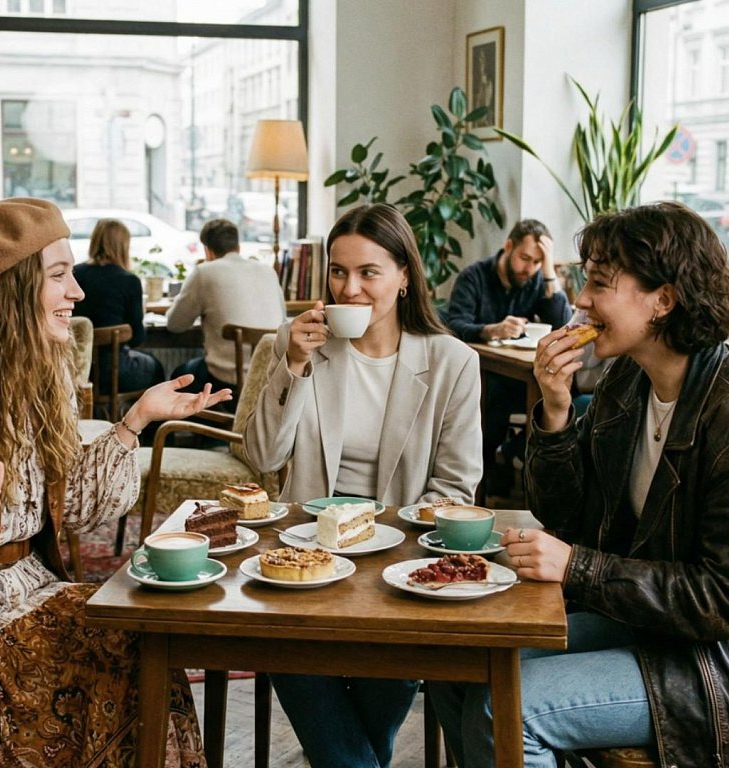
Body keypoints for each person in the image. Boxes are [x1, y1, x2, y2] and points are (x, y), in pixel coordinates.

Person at [0, 197, 232, 767]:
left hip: (28, 592)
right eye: (59, 275)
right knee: (109, 672)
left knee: (146, 648)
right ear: (11, 292)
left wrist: (134, 422)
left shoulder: (38, 377)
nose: (78, 292)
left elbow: (76, 506)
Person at [430, 201, 729, 767]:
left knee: (504, 708)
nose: (580, 300)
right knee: (457, 663)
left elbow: (728, 603)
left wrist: (576, 566)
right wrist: (555, 409)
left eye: (599, 283)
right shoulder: (627, 381)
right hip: (647, 622)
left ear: (664, 300)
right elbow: (571, 520)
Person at [243, 203, 483, 768]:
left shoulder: (452, 362)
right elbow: (262, 456)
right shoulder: (300, 345)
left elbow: (454, 490)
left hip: (396, 561)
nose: (349, 289)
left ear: (404, 277)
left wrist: (376, 540)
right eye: (337, 271)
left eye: (368, 272)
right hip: (304, 555)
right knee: (282, 639)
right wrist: (293, 366)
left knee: (395, 659)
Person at [444, 218, 571, 498]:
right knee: (495, 402)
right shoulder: (474, 277)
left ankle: (527, 480)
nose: (529, 268)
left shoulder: (536, 279)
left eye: (538, 262)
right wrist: (490, 330)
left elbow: (562, 325)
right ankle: (481, 486)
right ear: (508, 246)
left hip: (518, 376)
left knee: (548, 397)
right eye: (525, 258)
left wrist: (549, 272)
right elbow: (453, 324)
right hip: (479, 373)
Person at [166, 218, 286, 408]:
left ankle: (206, 434)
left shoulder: (204, 272)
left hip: (226, 379)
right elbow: (284, 319)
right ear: (238, 247)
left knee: (180, 376)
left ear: (207, 250)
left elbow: (175, 325)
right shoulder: (268, 271)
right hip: (271, 375)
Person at [72, 217, 166, 400]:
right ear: (124, 246)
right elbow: (137, 338)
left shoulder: (74, 274)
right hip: (115, 372)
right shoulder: (129, 281)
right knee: (155, 367)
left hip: (77, 369)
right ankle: (150, 428)